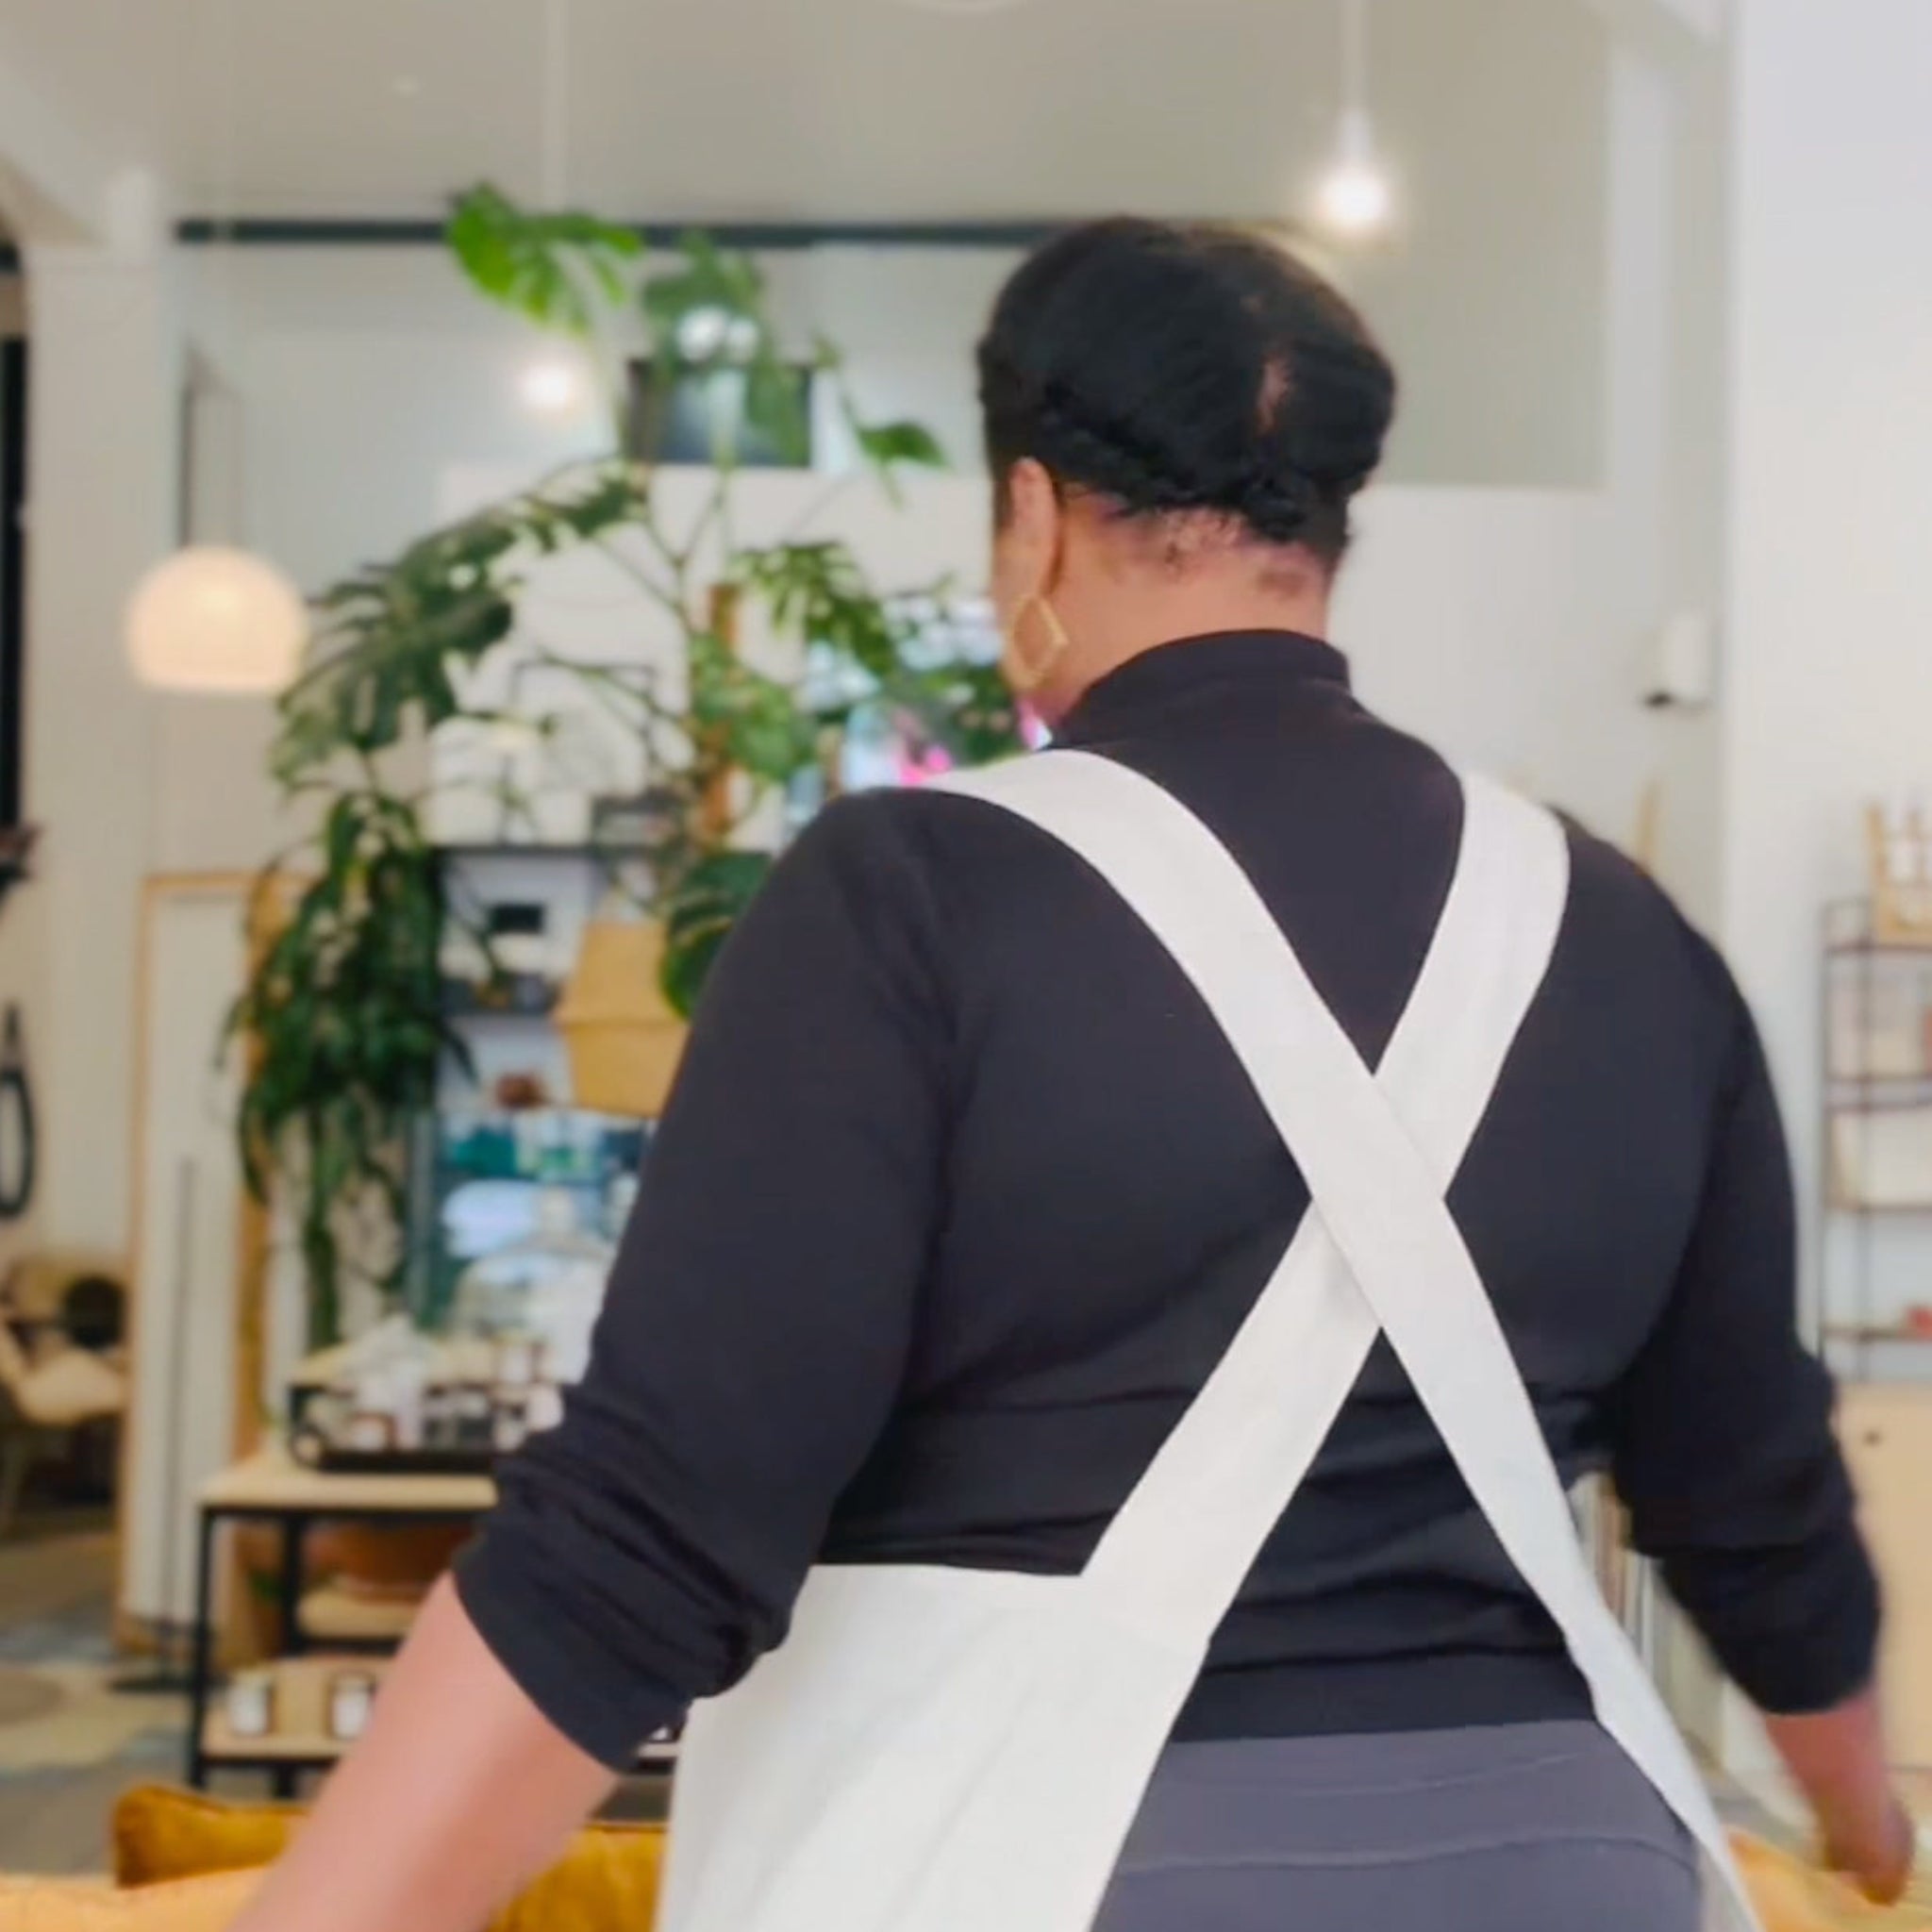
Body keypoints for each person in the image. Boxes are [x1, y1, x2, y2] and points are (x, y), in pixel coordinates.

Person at [233, 219, 1911, 1932]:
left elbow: (652, 1532)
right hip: (1572, 1869)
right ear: (1325, 530)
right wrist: (1868, 1836)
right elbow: (1751, 1498)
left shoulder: (909, 898)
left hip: (1043, 1866)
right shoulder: (1626, 936)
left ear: (1030, 513)